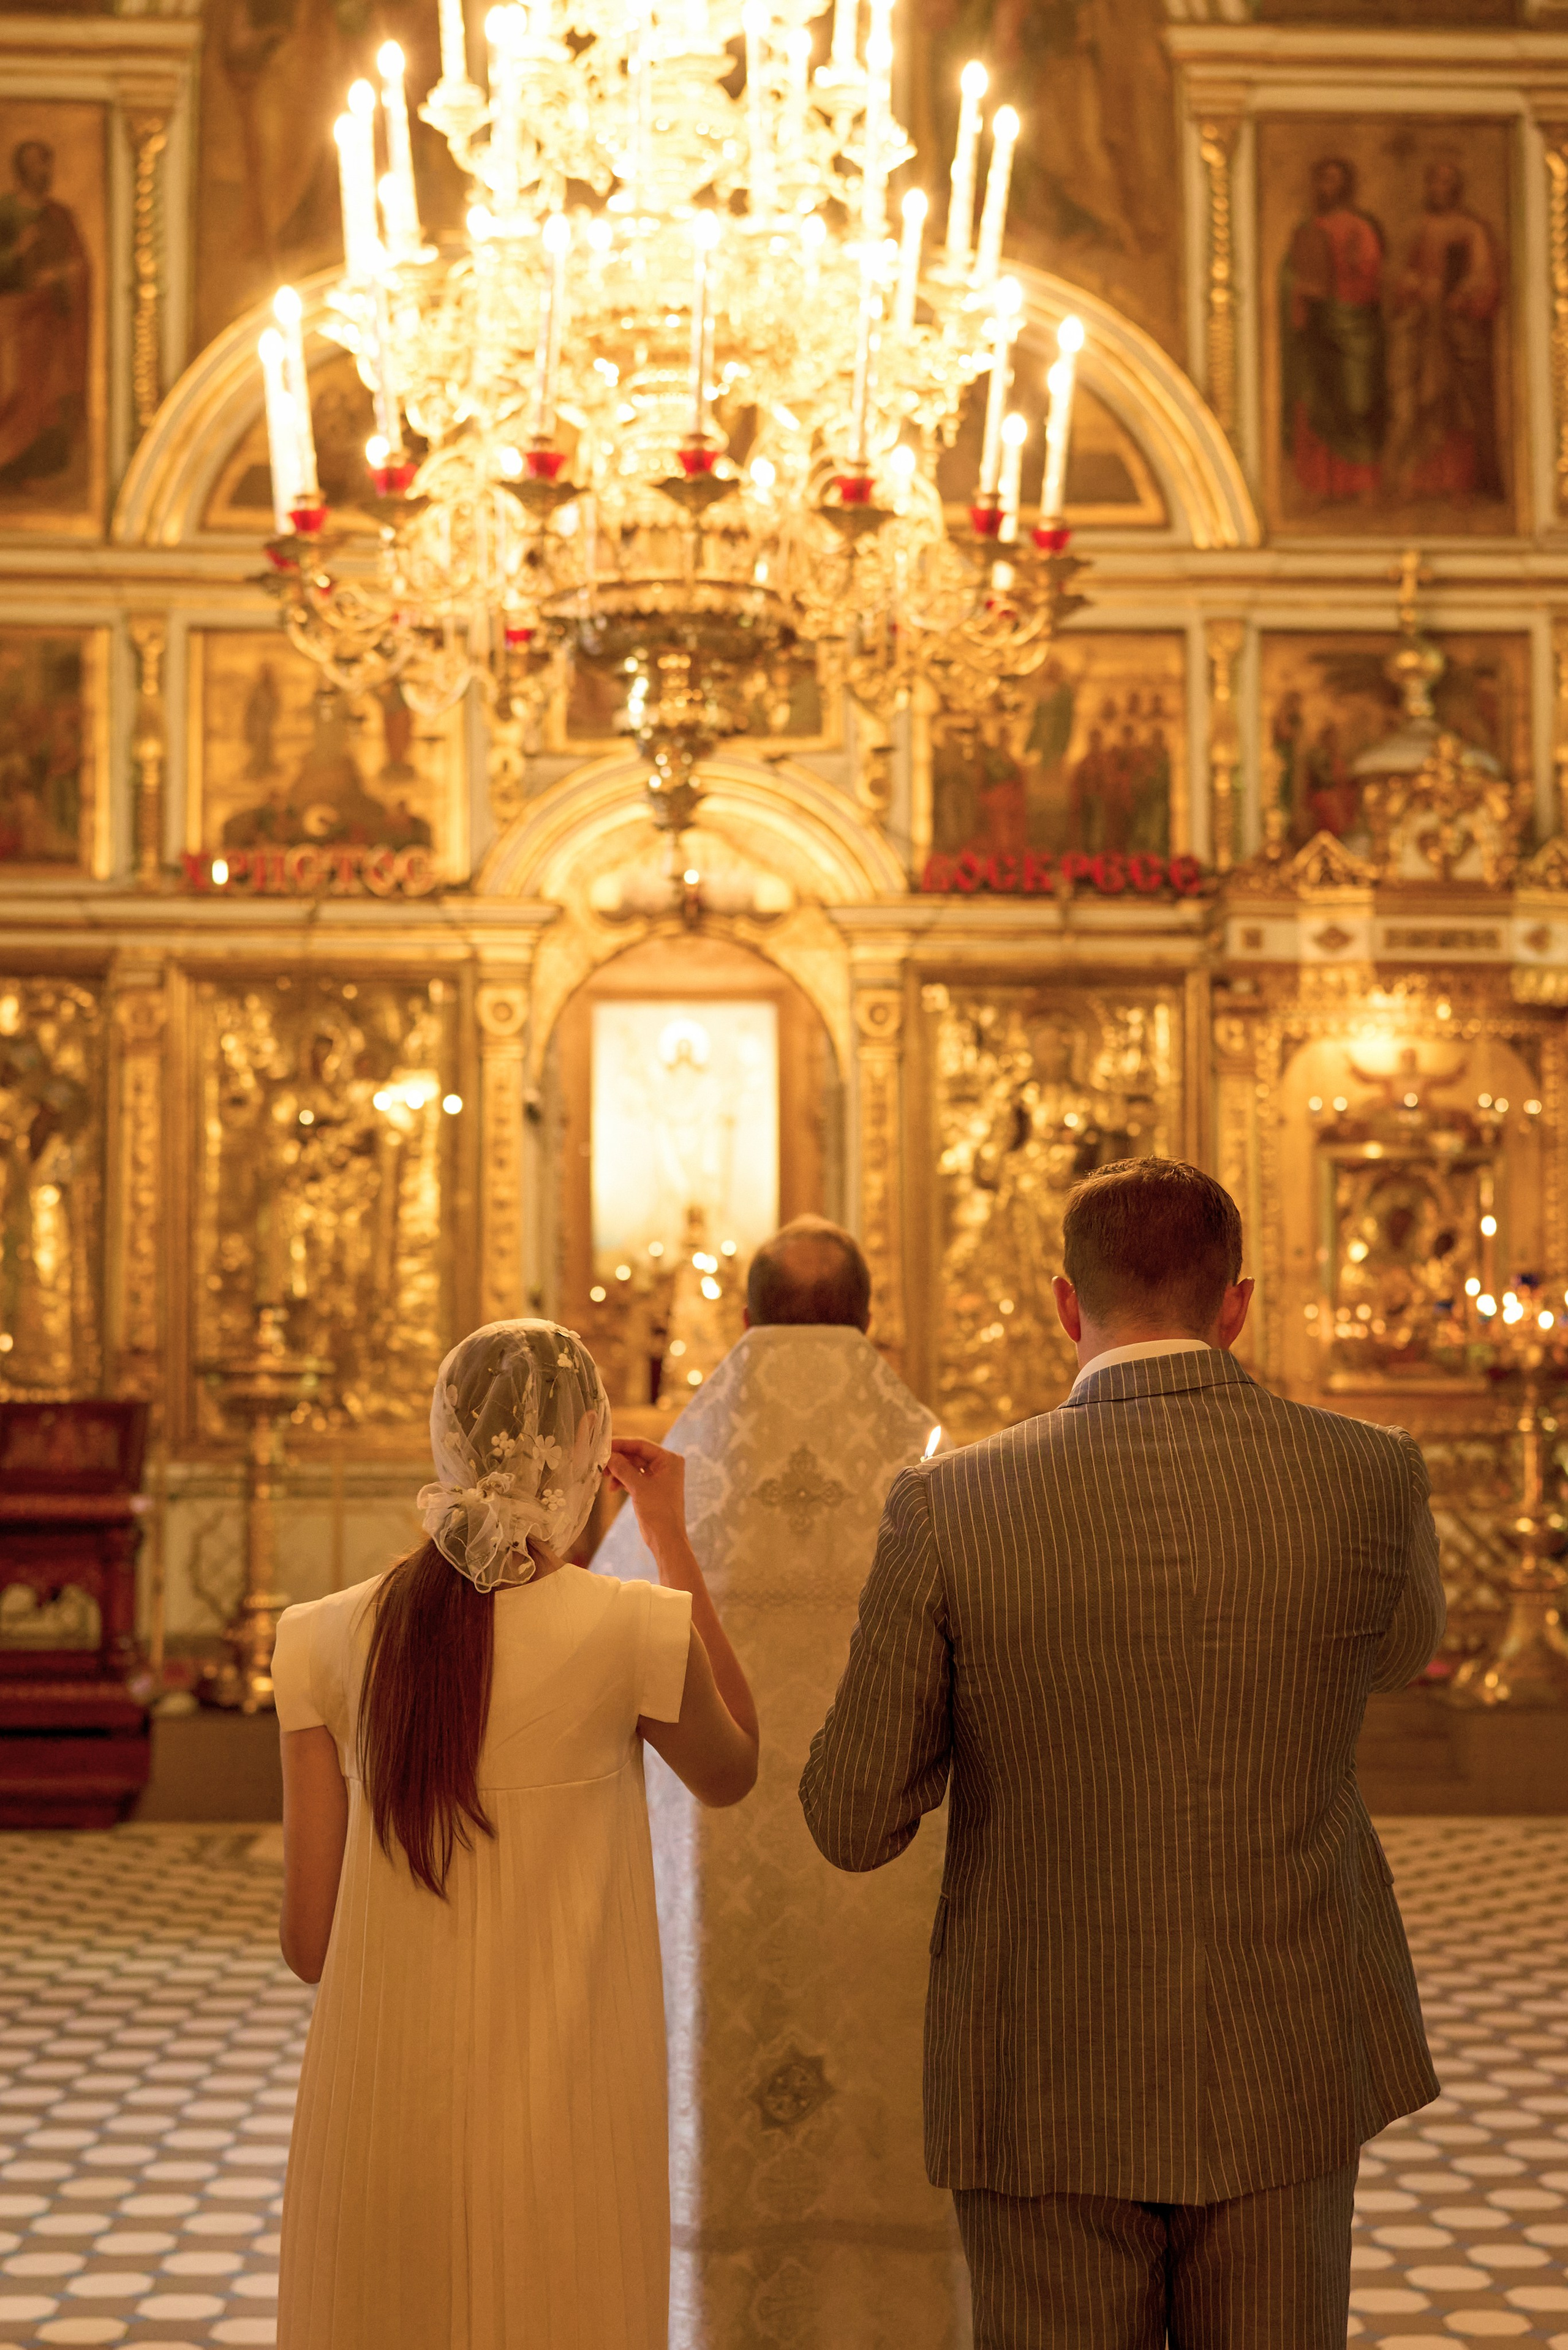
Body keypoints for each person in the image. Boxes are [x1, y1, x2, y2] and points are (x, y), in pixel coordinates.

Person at [801, 1159, 1443, 2349]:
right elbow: (1396, 1653)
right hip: (1285, 2039)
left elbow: (850, 1816)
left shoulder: (950, 1505)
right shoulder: (1369, 1474)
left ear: (1063, 1301)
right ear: (1234, 1302)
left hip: (1044, 2062)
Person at [271, 1318, 758, 2350]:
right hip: (564, 2114)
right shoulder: (631, 1627)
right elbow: (736, 1766)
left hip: (381, 2110)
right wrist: (671, 1536)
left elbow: (311, 1943)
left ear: (445, 1437)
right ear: (587, 1444)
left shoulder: (316, 1637)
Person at [594, 1216, 966, 2349]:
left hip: (716, 1871)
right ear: (869, 1320)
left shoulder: (679, 1474)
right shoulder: (938, 1467)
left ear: (746, 1321)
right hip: (895, 1863)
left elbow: (606, 1662)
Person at [1281, 156, 1387, 506]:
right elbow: (1291, 275)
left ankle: (1361, 483)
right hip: (1316, 327)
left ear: (1346, 185)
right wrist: (1299, 289)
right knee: (1317, 402)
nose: (1328, 187)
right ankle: (1322, 485)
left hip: (1353, 325)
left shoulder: (1359, 227)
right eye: (1323, 179)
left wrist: (1342, 286)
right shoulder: (1306, 229)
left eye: (1335, 180)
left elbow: (1370, 275)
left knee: (1357, 402)